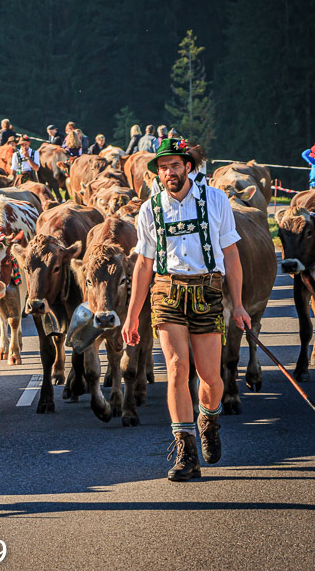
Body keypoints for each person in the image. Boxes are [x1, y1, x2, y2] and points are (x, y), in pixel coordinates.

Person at [123, 138, 249, 482]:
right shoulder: (149, 209)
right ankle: (185, 450)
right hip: (166, 291)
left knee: (211, 377)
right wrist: (133, 314)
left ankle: (208, 419)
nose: (169, 173)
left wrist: (238, 304)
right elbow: (144, 264)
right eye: (163, 168)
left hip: (207, 290)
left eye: (175, 166)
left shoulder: (215, 200)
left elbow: (232, 254)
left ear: (188, 167)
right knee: (177, 369)